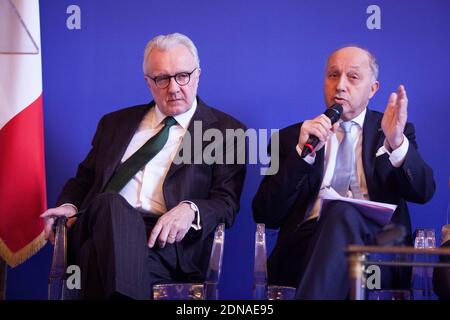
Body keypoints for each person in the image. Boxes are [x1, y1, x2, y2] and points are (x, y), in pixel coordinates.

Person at [41, 33, 246, 299]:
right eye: (162, 78)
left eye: (182, 75)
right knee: (110, 204)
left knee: (98, 262)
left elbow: (226, 203)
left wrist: (189, 209)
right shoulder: (115, 123)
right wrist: (68, 205)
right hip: (98, 223)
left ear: (198, 75)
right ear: (148, 82)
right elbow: (84, 180)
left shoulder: (227, 131)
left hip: (163, 245)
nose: (173, 88)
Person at [252, 46, 435, 299]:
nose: (340, 86)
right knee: (339, 216)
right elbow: (266, 214)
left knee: (342, 211)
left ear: (373, 89)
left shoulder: (393, 132)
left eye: (353, 77)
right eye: (333, 75)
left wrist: (397, 144)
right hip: (306, 248)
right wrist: (301, 155)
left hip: (378, 252)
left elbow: (424, 191)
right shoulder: (292, 138)